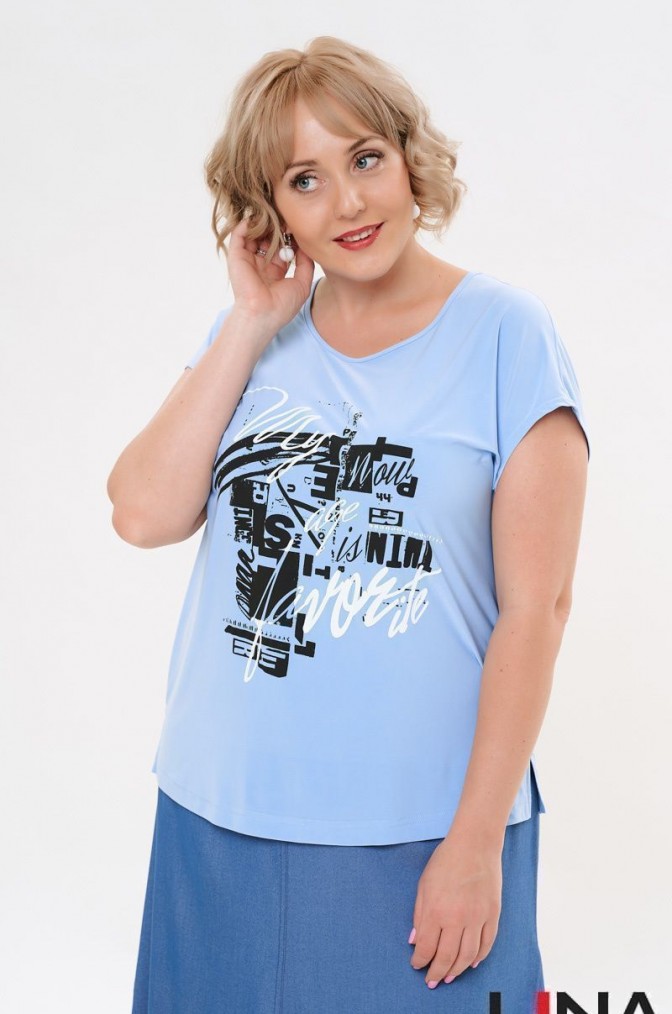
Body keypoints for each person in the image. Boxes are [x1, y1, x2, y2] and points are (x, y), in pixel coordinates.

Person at [107, 35, 590, 1014]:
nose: (348, 203)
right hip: (222, 817)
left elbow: (535, 611)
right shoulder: (250, 338)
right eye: (304, 180)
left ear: (410, 156)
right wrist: (252, 321)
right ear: (270, 208)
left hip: (423, 835)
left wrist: (475, 843)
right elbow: (142, 512)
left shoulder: (508, 334)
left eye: (364, 157)